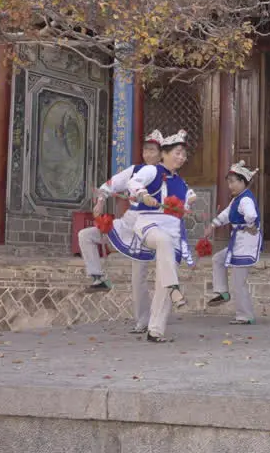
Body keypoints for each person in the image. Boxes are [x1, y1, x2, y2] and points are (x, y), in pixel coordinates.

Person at [82, 129, 163, 333]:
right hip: (126, 225)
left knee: (139, 277)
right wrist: (101, 201)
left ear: (161, 154)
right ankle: (98, 277)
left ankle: (143, 320)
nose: (148, 154)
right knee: (86, 235)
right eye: (145, 150)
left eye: (152, 150)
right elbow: (108, 185)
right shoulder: (135, 170)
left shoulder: (165, 176)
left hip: (145, 229)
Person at [124, 130, 197, 344]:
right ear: (164, 153)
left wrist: (188, 204)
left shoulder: (182, 183)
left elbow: (183, 206)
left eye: (183, 154)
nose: (181, 158)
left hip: (172, 232)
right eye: (177, 153)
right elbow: (134, 182)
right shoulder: (152, 171)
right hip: (149, 225)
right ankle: (175, 288)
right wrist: (143, 195)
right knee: (163, 241)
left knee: (162, 283)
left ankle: (155, 330)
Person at [205, 160, 263, 325]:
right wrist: (213, 224)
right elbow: (226, 214)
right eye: (228, 182)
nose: (230, 186)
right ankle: (222, 291)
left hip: (245, 242)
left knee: (239, 281)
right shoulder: (237, 199)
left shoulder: (245, 200)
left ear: (243, 182)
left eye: (233, 182)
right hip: (238, 241)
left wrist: (250, 226)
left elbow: (251, 215)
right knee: (218, 259)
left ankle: (245, 315)